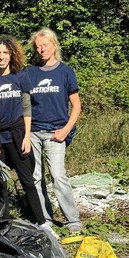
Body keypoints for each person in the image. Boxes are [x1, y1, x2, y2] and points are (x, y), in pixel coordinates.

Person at [0, 35, 53, 234]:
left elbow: (27, 107)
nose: (1, 57)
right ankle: (2, 222)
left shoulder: (21, 77)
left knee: (27, 179)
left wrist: (27, 135)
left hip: (19, 133)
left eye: (5, 52)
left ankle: (42, 221)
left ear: (12, 55)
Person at [25, 28, 83, 232]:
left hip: (56, 132)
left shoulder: (65, 71)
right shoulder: (29, 72)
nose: (42, 49)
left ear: (54, 45)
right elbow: (24, 104)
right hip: (32, 132)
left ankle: (72, 219)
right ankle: (45, 219)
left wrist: (66, 130)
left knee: (58, 175)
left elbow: (76, 106)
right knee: (35, 177)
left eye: (45, 45)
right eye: (38, 46)